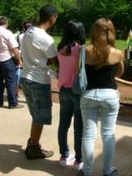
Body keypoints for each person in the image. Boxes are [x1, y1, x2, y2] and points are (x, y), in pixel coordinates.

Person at [78, 18, 124, 176]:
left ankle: (86, 171)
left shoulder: (84, 50)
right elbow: (119, 73)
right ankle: (108, 170)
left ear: (94, 31)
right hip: (109, 95)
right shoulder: (118, 53)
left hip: (89, 94)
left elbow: (81, 70)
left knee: (88, 134)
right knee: (109, 134)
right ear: (112, 32)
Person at [20, 4, 59, 160]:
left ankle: (32, 141)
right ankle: (34, 148)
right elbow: (55, 62)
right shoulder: (45, 38)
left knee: (35, 114)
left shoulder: (28, 32)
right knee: (40, 116)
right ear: (52, 17)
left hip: (25, 78)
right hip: (38, 81)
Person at [57, 20, 85, 170]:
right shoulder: (81, 49)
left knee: (63, 125)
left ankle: (63, 155)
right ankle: (78, 160)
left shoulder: (61, 48)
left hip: (63, 90)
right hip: (77, 91)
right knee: (78, 127)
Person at [0, 16, 23, 109]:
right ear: (6, 23)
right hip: (6, 60)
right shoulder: (7, 33)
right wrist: (19, 59)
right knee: (11, 82)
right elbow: (14, 48)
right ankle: (13, 103)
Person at [15, 21, 32, 98]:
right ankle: (28, 94)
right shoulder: (32, 36)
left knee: (18, 75)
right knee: (29, 76)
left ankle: (16, 92)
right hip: (30, 57)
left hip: (21, 56)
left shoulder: (20, 36)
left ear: (23, 28)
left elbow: (17, 47)